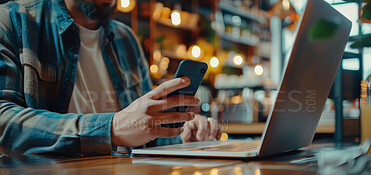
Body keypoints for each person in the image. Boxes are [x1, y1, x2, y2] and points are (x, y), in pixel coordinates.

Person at [0, 0, 221, 157]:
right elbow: (3, 121)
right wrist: (110, 129)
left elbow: (145, 131)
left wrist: (179, 136)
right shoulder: (12, 20)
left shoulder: (126, 39)